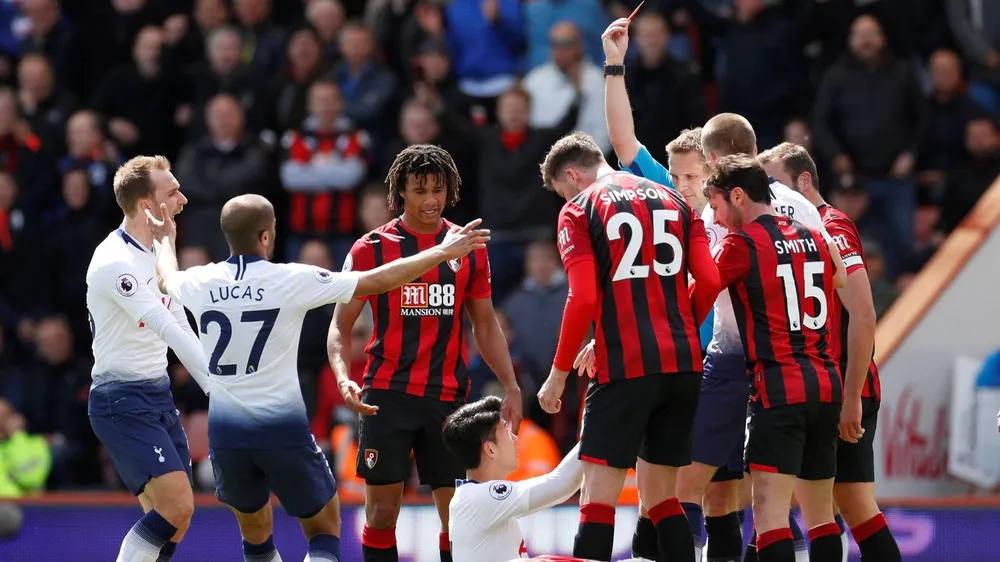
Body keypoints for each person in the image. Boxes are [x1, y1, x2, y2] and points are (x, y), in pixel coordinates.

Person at [148, 193, 489, 561]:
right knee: (325, 530)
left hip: (227, 435)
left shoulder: (200, 281)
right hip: (282, 431)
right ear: (265, 236)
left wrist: (165, 235)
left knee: (256, 538)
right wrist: (440, 252)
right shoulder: (289, 278)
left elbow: (166, 277)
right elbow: (375, 280)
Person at [327, 145, 523, 562]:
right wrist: (344, 375)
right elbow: (340, 327)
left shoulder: (468, 246)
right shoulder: (370, 249)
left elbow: (484, 325)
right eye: (419, 190)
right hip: (386, 395)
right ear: (400, 191)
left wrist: (511, 384)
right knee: (381, 513)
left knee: (457, 516)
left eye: (438, 188)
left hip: (446, 398)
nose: (431, 199)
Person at [536, 132, 721, 562]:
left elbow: (581, 298)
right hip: (682, 364)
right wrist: (680, 327)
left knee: (597, 497)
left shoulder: (578, 209)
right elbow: (710, 280)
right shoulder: (675, 200)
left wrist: (558, 374)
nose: (563, 198)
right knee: (662, 499)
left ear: (571, 175)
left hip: (625, 366)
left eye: (562, 191)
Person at [699, 155, 846, 562]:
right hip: (826, 384)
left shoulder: (739, 243)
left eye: (716, 205)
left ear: (739, 196)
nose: (717, 217)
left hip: (779, 389)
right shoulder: (814, 234)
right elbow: (841, 279)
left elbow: (695, 299)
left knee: (769, 516)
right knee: (821, 517)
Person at [759, 143, 901, 562]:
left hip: (839, 388)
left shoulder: (828, 226)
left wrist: (852, 395)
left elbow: (863, 313)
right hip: (830, 386)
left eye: (776, 183)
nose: (772, 195)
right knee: (850, 508)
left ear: (804, 181)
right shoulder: (793, 231)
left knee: (812, 509)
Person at [85, 155, 213, 562]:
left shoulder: (154, 250)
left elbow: (178, 317)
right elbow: (166, 326)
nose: (183, 198)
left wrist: (215, 383)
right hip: (120, 398)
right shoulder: (113, 262)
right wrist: (224, 389)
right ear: (146, 205)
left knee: (176, 518)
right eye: (172, 192)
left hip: (155, 395)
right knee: (176, 508)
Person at [442, 395, 584, 562]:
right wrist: (596, 419)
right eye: (506, 432)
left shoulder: (472, 496)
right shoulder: (481, 497)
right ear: (490, 449)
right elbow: (562, 483)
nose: (515, 438)